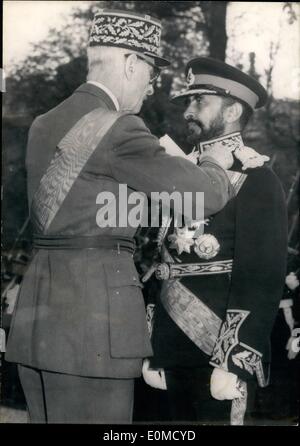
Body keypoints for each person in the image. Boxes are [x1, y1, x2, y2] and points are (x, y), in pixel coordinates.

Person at [4, 11, 234, 424]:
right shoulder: (120, 129)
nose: (151, 87)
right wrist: (216, 163)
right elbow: (206, 196)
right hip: (94, 329)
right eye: (151, 72)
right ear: (130, 64)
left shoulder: (42, 124)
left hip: (38, 319)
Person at [146, 57, 288, 425]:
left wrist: (233, 359)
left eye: (200, 102)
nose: (189, 112)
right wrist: (153, 349)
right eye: (188, 102)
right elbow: (160, 262)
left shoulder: (258, 180)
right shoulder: (180, 171)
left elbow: (261, 278)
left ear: (233, 110)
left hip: (219, 351)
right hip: (171, 349)